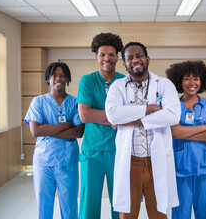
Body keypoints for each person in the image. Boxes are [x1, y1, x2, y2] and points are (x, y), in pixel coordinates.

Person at [105, 41, 180, 219]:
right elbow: (113, 116)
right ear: (124, 64)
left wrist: (133, 120)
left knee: (159, 214)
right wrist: (148, 109)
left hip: (157, 160)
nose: (135, 60)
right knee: (128, 215)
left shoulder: (165, 84)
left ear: (147, 59)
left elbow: (173, 116)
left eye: (139, 55)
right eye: (129, 58)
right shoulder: (117, 86)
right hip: (130, 161)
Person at [24, 62, 85, 219]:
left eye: (62, 75)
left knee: (70, 206)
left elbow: (78, 132)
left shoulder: (75, 102)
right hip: (43, 162)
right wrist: (66, 125)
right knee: (44, 205)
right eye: (54, 75)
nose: (58, 78)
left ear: (67, 79)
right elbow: (35, 130)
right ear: (48, 79)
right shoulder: (38, 102)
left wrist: (48, 129)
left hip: (67, 161)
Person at [165, 61, 206, 219]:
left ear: (202, 81)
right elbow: (174, 132)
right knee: (180, 212)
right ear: (179, 81)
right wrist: (203, 127)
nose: (192, 83)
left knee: (204, 211)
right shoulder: (173, 105)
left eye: (196, 78)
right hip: (180, 166)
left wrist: (185, 132)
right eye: (187, 78)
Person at [76, 32, 124, 219]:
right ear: (96, 57)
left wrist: (102, 116)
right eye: (102, 54)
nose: (107, 58)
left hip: (118, 151)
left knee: (119, 204)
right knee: (88, 204)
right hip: (92, 153)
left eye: (111, 54)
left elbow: (130, 116)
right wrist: (116, 117)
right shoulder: (87, 81)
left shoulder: (124, 81)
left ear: (117, 58)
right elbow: (85, 115)